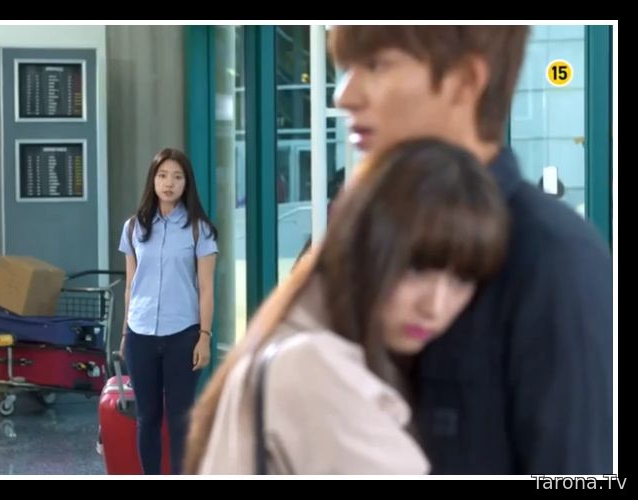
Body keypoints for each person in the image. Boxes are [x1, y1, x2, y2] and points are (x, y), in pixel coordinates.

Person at [328, 25, 612, 474]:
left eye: (376, 65)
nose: (345, 96)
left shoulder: (555, 259)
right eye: (347, 68)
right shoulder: (360, 235)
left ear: (465, 81)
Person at [184, 138, 509, 474]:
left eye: (462, 279)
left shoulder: (304, 342)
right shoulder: (314, 367)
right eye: (416, 269)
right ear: (364, 246)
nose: (435, 306)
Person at [118, 147, 219, 474]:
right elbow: (131, 285)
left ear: (186, 184)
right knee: (146, 418)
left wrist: (204, 336)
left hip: (183, 335)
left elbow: (206, 288)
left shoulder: (199, 229)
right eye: (162, 176)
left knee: (180, 420)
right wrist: (125, 334)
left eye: (177, 177)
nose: (169, 183)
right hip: (141, 333)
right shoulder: (134, 227)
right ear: (153, 180)